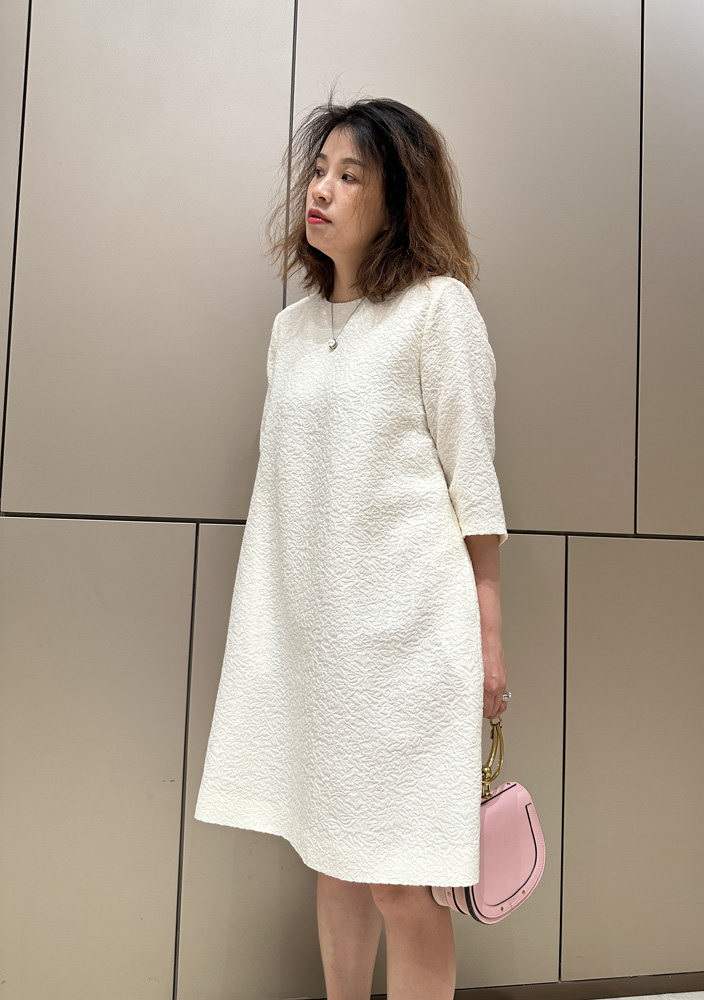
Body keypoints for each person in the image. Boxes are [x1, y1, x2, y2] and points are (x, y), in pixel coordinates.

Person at [194, 94, 511, 1000]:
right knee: (331, 858)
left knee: (401, 882)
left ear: (397, 198)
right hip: (319, 646)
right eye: (318, 171)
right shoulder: (290, 331)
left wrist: (489, 637)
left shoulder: (438, 311)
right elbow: (281, 498)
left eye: (349, 175)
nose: (320, 190)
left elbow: (474, 485)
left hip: (409, 644)